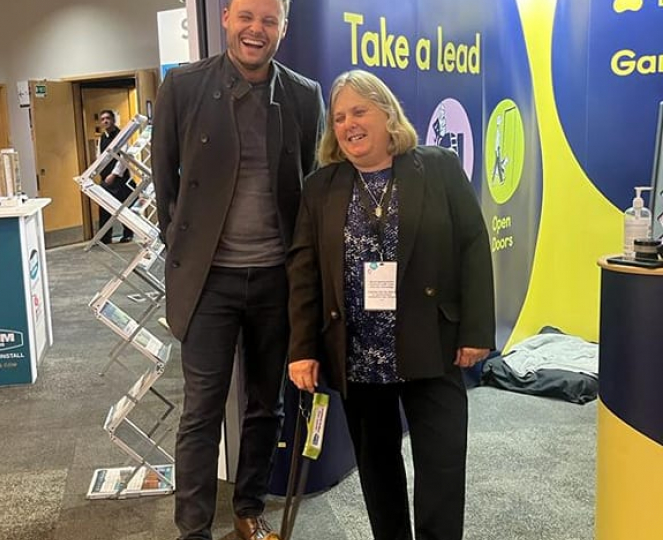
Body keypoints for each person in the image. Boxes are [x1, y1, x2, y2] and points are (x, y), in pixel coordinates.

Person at [286, 70, 495, 540]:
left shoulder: (437, 166)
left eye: (360, 111)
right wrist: (302, 348)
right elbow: (304, 273)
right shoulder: (322, 187)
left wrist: (476, 332)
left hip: (432, 345)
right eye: (339, 117)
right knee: (378, 472)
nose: (348, 124)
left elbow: (473, 245)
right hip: (359, 355)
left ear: (387, 113)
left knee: (441, 469)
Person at [151, 0, 324, 538]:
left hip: (276, 279)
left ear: (283, 28)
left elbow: (306, 189)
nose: (257, 30)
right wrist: (187, 246)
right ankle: (194, 530)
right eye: (247, 16)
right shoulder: (182, 87)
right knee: (201, 411)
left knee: (265, 406)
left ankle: (249, 509)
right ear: (225, 17)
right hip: (209, 282)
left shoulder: (303, 94)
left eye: (269, 20)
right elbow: (167, 185)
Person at [97, 109, 133, 243]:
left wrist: (114, 174)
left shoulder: (120, 135)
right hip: (105, 177)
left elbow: (124, 157)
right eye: (102, 119)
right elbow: (99, 156)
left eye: (108, 118)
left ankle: (128, 233)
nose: (105, 121)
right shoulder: (101, 138)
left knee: (124, 207)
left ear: (113, 120)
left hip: (119, 178)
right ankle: (105, 237)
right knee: (104, 207)